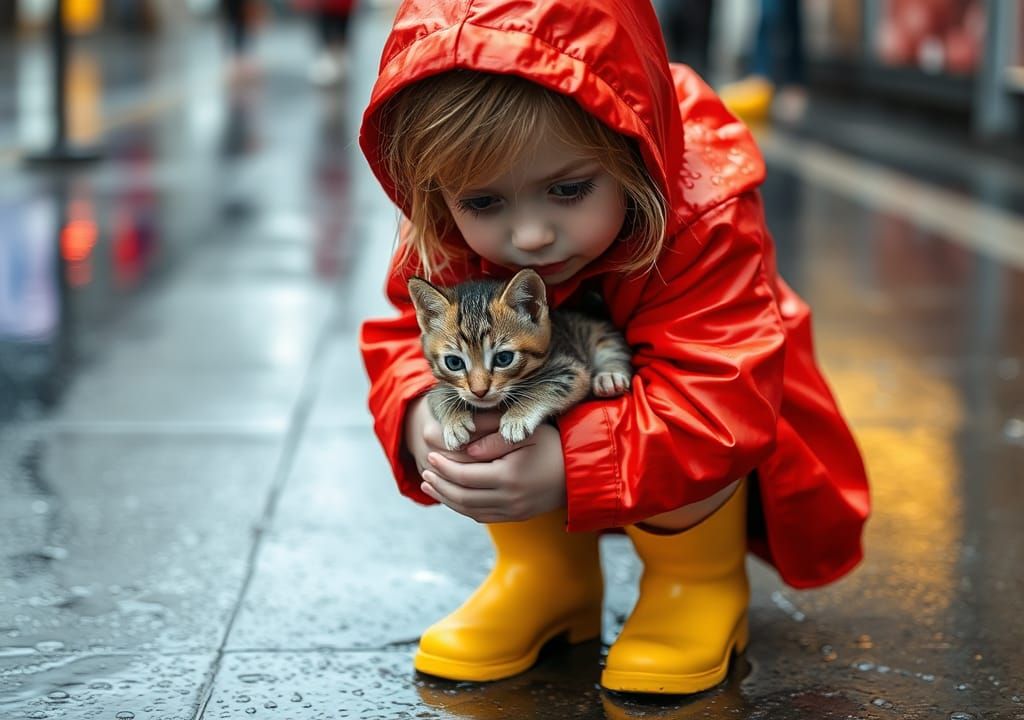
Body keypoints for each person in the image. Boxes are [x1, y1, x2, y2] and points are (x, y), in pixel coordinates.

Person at [359, 0, 869, 695]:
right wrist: (420, 415)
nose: (531, 235)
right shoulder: (442, 224)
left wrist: (573, 464)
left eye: (568, 190)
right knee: (483, 392)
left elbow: (718, 397)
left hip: (720, 431)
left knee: (683, 407)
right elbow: (400, 336)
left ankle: (696, 584)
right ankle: (544, 576)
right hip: (574, 395)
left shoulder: (702, 200)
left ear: (627, 147)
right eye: (485, 204)